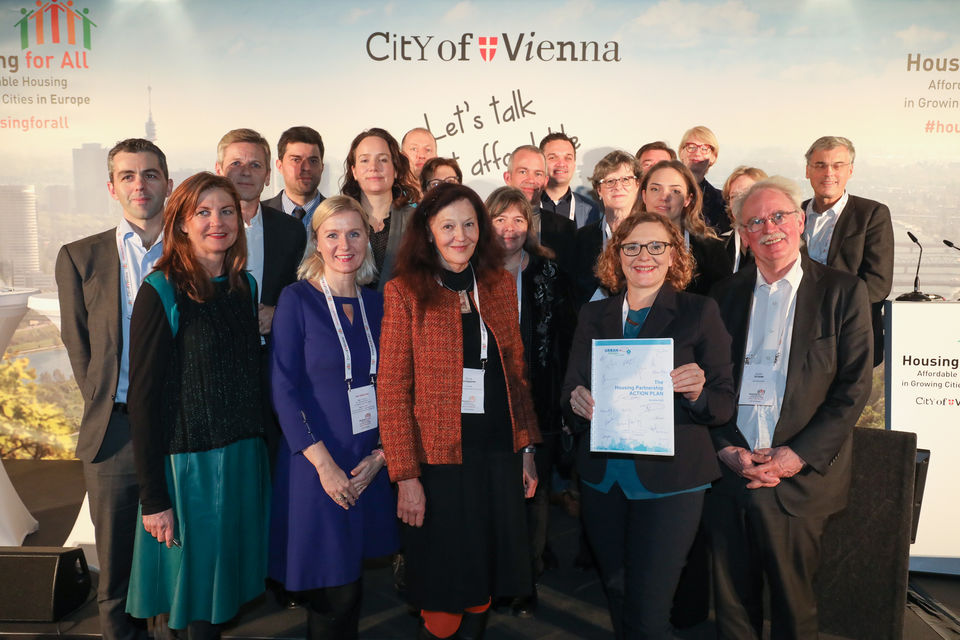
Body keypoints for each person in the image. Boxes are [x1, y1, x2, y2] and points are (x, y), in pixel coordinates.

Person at [707, 176, 873, 640]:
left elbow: (853, 387)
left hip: (798, 482)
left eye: (778, 216)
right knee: (732, 609)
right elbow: (709, 387)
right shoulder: (722, 296)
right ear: (743, 235)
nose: (769, 228)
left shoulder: (843, 292)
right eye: (754, 221)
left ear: (800, 221)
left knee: (793, 609)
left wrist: (795, 455)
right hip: (731, 473)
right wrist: (724, 449)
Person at [377, 183, 540, 640]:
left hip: (497, 453)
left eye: (469, 224)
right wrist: (406, 477)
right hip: (437, 463)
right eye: (447, 225)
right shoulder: (404, 291)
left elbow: (517, 373)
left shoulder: (498, 285)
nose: (460, 235)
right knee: (444, 591)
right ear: (428, 232)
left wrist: (526, 447)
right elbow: (391, 389)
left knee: (483, 582)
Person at [561, 211, 735, 639]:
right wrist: (574, 402)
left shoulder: (699, 311)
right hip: (604, 478)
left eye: (657, 246)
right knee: (618, 589)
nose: (644, 256)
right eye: (632, 247)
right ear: (616, 256)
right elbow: (569, 391)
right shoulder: (593, 314)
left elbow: (723, 403)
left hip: (672, 483)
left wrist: (696, 392)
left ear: (675, 254)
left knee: (650, 604)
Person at [125, 173, 270, 639]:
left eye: (227, 211)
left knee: (223, 597)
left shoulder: (244, 286)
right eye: (203, 213)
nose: (217, 222)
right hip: (189, 472)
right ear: (182, 223)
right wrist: (154, 498)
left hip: (243, 460)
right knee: (196, 606)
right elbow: (143, 402)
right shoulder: (160, 291)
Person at [56, 137, 172, 640]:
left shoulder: (196, 252)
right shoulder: (79, 257)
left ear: (167, 183)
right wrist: (110, 402)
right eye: (128, 176)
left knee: (174, 569)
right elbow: (78, 347)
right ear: (111, 187)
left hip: (179, 431)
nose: (139, 185)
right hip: (114, 433)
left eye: (149, 174)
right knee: (117, 574)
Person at [269, 195, 398, 639]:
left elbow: (396, 387)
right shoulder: (296, 300)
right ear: (317, 243)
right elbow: (283, 389)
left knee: (354, 588)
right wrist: (324, 467)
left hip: (368, 462)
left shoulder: (378, 305)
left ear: (367, 240)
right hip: (317, 465)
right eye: (333, 234)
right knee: (332, 593)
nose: (345, 244)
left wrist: (383, 456)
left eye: (354, 233)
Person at [485, 186, 578, 617]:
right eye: (500, 219)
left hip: (539, 400)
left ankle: (526, 579)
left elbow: (566, 341)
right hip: (484, 401)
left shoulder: (549, 273)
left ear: (530, 225)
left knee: (534, 494)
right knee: (493, 492)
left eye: (518, 220)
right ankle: (492, 575)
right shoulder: (470, 272)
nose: (509, 228)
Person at [214, 127, 307, 467]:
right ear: (219, 169)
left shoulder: (290, 229)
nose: (244, 171)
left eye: (255, 165)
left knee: (273, 464)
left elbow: (302, 296)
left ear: (269, 176)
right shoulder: (200, 227)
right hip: (216, 369)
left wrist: (278, 313)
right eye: (235, 162)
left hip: (274, 366)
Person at [802, 136, 893, 366]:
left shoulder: (871, 214)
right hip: (798, 339)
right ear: (807, 171)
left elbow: (877, 284)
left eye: (837, 165)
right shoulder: (794, 213)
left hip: (850, 340)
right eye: (820, 165)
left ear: (850, 171)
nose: (828, 173)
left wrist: (826, 313)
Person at [341, 127, 420, 290]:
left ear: (396, 169)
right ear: (354, 171)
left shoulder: (418, 220)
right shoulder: (338, 220)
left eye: (383, 160)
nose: (374, 167)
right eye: (364, 160)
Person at [638, 159, 732, 295]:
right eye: (655, 189)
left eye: (675, 191)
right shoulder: (624, 243)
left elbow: (724, 302)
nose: (664, 197)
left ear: (688, 199)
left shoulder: (710, 249)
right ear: (644, 195)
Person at [573, 151, 643, 304]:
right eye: (610, 181)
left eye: (626, 179)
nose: (618, 186)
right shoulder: (581, 238)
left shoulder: (651, 234)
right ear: (599, 190)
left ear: (637, 185)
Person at [503, 144, 576, 271]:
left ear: (546, 181)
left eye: (538, 173)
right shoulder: (486, 225)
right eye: (523, 171)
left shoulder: (565, 229)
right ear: (508, 178)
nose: (531, 180)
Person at [262, 125, 326, 229]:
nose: (306, 167)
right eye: (296, 160)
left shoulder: (340, 214)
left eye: (313, 161)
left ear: (322, 167)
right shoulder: (259, 214)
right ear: (279, 166)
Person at [538, 132, 602, 229]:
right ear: (540, 162)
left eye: (568, 158)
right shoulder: (524, 206)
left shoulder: (591, 209)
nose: (561, 163)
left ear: (574, 164)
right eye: (553, 157)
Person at [678, 126, 728, 234]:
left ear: (713, 157)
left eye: (705, 148)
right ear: (681, 152)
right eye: (691, 147)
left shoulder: (722, 202)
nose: (697, 152)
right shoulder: (666, 193)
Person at [721, 166, 768, 273]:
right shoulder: (717, 247)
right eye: (734, 196)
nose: (740, 201)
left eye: (747, 193)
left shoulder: (778, 244)